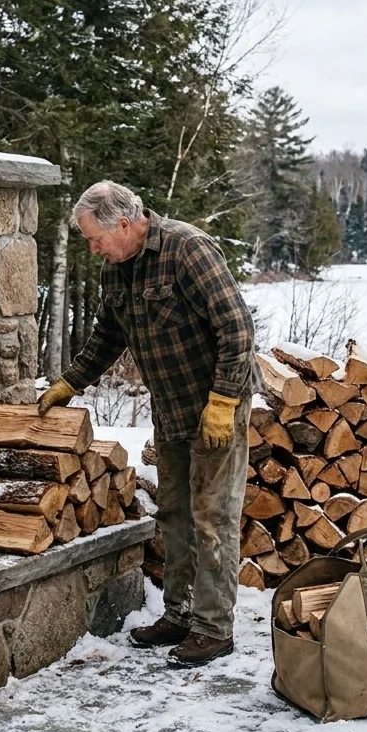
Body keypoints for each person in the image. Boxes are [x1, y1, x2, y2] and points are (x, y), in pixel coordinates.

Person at [39, 181, 261, 668]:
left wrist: (223, 401)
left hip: (215, 407)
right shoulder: (117, 269)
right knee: (176, 513)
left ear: (123, 222)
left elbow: (237, 327)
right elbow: (107, 336)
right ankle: (179, 614)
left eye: (95, 238)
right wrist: (69, 383)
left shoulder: (188, 249)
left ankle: (213, 627)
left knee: (213, 517)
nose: (93, 248)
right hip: (172, 406)